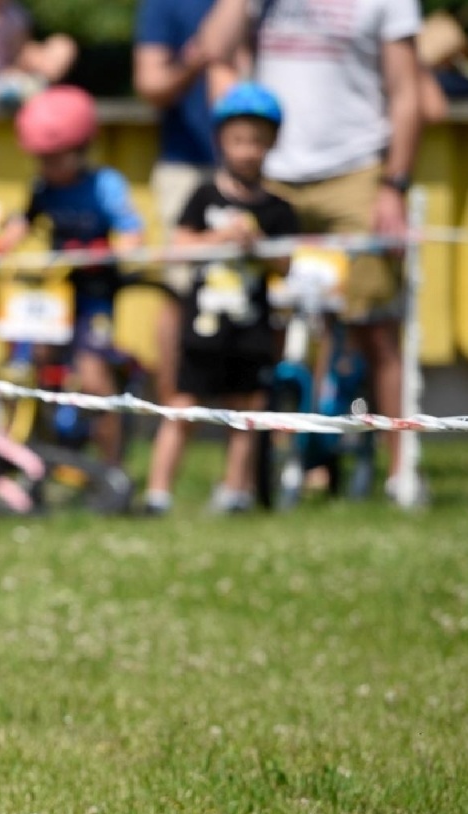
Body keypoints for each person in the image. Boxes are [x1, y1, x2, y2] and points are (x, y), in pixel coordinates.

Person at [197, 0, 423, 499]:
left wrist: (394, 184)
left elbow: (407, 91)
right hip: (273, 175)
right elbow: (213, 47)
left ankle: (401, 473)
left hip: (358, 171)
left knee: (375, 328)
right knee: (261, 330)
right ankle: (248, 478)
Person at [143, 83, 299, 515]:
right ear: (221, 142)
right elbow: (179, 246)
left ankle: (235, 492)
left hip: (251, 330)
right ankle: (157, 494)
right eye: (238, 140)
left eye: (257, 141)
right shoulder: (204, 194)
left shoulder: (279, 209)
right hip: (203, 326)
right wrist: (221, 238)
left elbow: (286, 265)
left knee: (245, 411)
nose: (247, 151)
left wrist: (258, 245)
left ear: (272, 143)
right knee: (182, 407)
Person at [0, 86, 145, 463]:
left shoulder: (105, 185)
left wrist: (115, 249)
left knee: (94, 380)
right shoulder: (43, 188)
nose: (47, 168)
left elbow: (132, 232)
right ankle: (33, 456)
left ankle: (111, 468)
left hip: (94, 297)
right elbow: (19, 226)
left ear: (82, 148)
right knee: (27, 366)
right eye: (41, 159)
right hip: (54, 297)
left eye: (56, 159)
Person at [133, 0, 223, 418]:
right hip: (185, 165)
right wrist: (194, 60)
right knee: (178, 290)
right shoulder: (164, 5)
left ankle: (266, 426)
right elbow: (150, 84)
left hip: (272, 168)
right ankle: (173, 413)